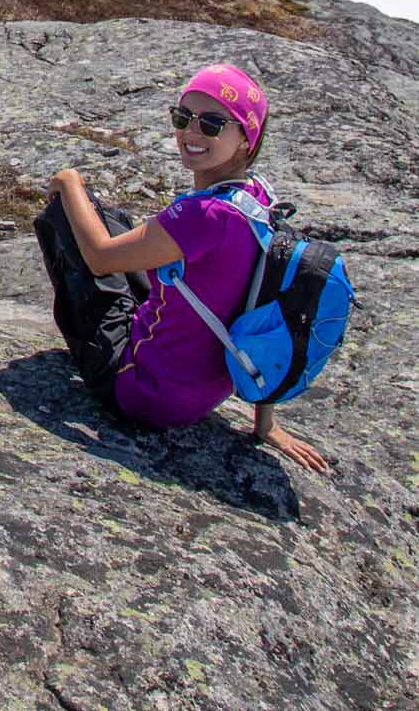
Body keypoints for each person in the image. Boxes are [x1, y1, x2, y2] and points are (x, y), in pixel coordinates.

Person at [32, 63, 332, 474]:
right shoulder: (260, 201)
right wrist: (267, 426)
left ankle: (92, 340)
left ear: (247, 139)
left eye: (212, 124)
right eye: (182, 117)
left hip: (141, 390)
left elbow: (99, 258)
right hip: (200, 393)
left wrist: (68, 182)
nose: (191, 132)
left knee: (70, 214)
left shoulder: (202, 215)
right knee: (112, 218)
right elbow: (266, 307)